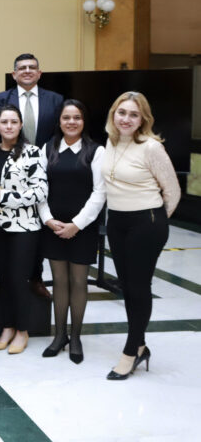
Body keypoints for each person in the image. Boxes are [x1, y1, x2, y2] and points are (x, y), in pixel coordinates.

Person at [102, 91, 180, 380]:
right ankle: (141, 345)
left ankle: (130, 351)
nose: (126, 119)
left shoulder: (151, 147)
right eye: (122, 112)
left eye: (134, 114)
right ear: (114, 114)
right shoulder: (110, 142)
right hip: (116, 221)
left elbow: (172, 191)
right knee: (127, 286)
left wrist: (154, 221)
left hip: (145, 222)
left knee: (138, 287)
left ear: (143, 119)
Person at [0, 53, 63, 301]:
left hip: (45, 166)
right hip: (10, 168)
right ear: (14, 74)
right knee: (8, 230)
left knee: (37, 224)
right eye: (22, 68)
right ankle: (3, 279)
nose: (27, 71)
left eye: (32, 67)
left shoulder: (55, 99)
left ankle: (36, 278)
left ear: (39, 73)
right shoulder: (2, 98)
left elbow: (58, 133)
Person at [38, 100, 105, 364]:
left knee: (78, 282)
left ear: (84, 121)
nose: (71, 122)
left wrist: (77, 224)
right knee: (59, 281)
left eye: (77, 117)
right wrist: (48, 219)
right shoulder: (48, 148)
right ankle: (59, 336)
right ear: (59, 121)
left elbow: (100, 193)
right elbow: (40, 188)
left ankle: (75, 337)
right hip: (54, 227)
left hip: (83, 228)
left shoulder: (96, 151)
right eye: (66, 117)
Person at [0, 105, 48, 355]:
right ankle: (7, 327)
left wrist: (7, 197)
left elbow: (40, 192)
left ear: (21, 125)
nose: (9, 126)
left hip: (24, 226)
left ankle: (22, 330)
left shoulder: (32, 152)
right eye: (4, 122)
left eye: (14, 122)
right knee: (3, 279)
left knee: (19, 279)